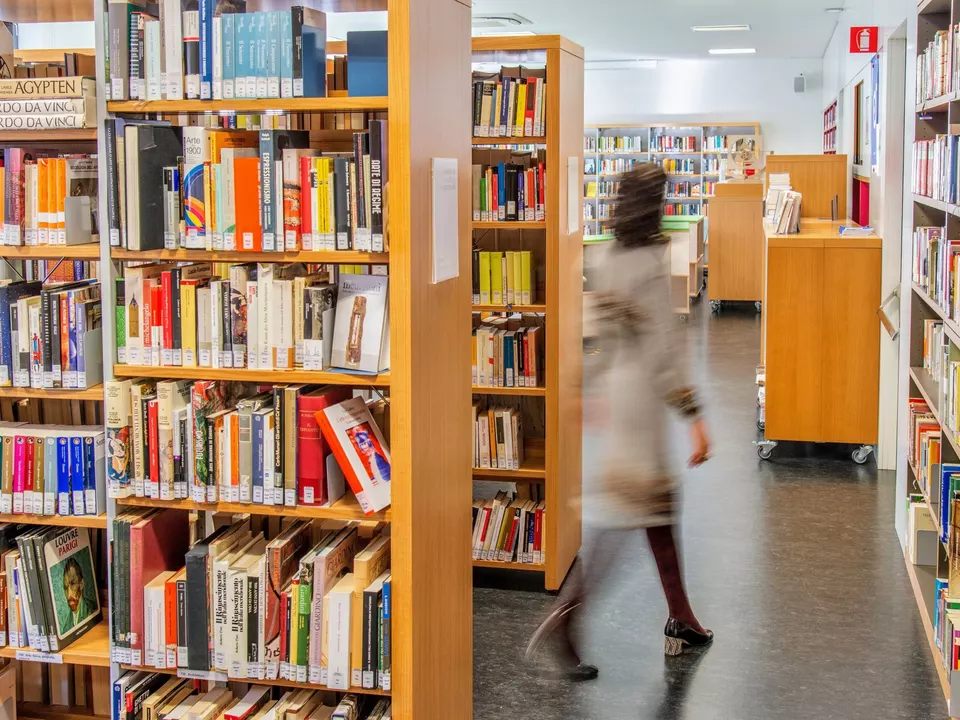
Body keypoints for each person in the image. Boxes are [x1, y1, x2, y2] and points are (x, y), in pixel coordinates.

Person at [525, 163, 712, 680]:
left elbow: (601, 334)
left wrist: (585, 387)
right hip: (643, 402)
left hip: (618, 388)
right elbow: (662, 348)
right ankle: (565, 621)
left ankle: (682, 617)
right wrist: (693, 415)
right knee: (627, 515)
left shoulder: (603, 256)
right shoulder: (651, 261)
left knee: (655, 508)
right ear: (655, 206)